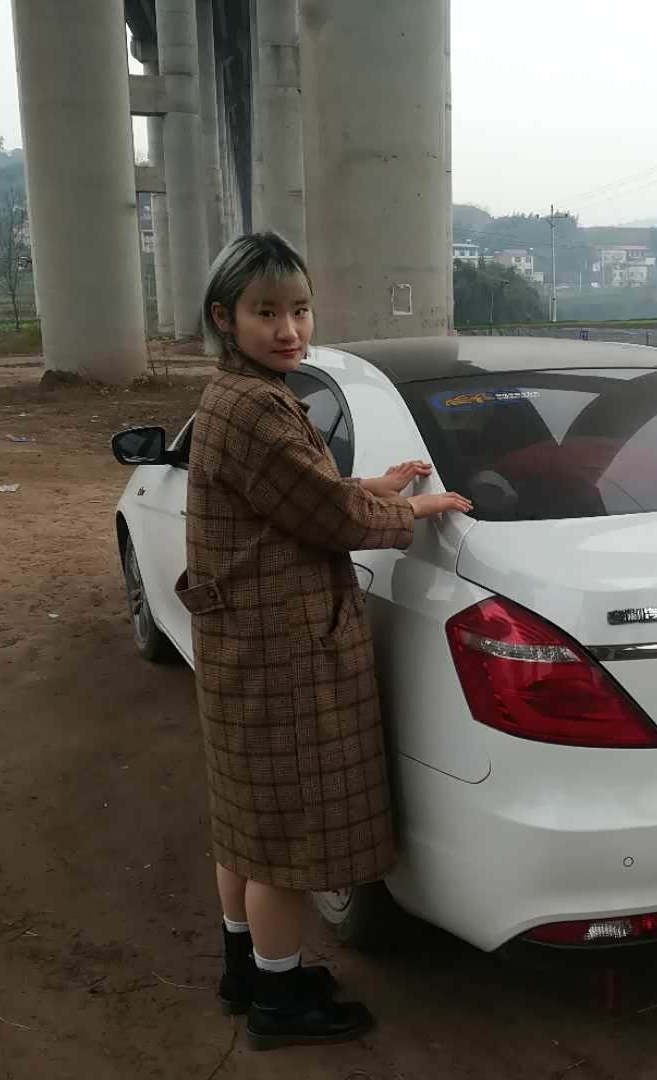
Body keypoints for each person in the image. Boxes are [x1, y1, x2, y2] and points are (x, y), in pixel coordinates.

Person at [179, 232, 471, 1050]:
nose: (289, 330)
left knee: (247, 829)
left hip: (248, 649)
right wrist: (411, 508)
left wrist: (370, 484)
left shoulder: (240, 394)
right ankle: (279, 1002)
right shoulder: (255, 407)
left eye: (300, 310)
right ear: (225, 318)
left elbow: (293, 493)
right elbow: (329, 517)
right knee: (284, 843)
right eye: (266, 312)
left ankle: (246, 970)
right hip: (281, 657)